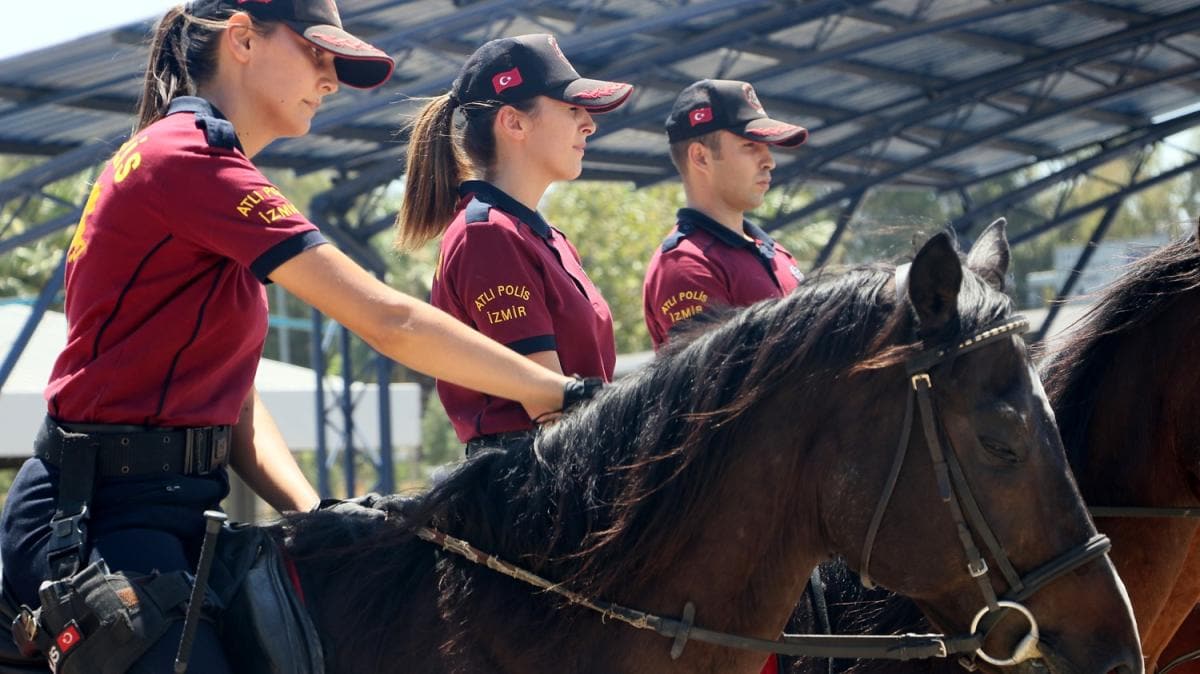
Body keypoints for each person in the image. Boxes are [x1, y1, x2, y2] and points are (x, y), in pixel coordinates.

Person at [0, 3, 592, 673]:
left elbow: (237, 405)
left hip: (168, 519)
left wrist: (315, 513)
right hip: (95, 525)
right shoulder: (186, 158)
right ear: (244, 38)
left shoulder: (196, 161)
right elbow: (385, 319)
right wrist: (561, 394)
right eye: (317, 52)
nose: (331, 77)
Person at [397, 33, 632, 455]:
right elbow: (550, 407)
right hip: (532, 490)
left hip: (571, 471)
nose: (589, 124)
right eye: (572, 108)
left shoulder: (539, 235)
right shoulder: (487, 234)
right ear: (514, 122)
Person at [642, 79, 809, 351]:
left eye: (767, 148)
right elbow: (715, 385)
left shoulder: (777, 253)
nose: (769, 161)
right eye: (750, 146)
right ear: (701, 157)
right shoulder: (686, 265)